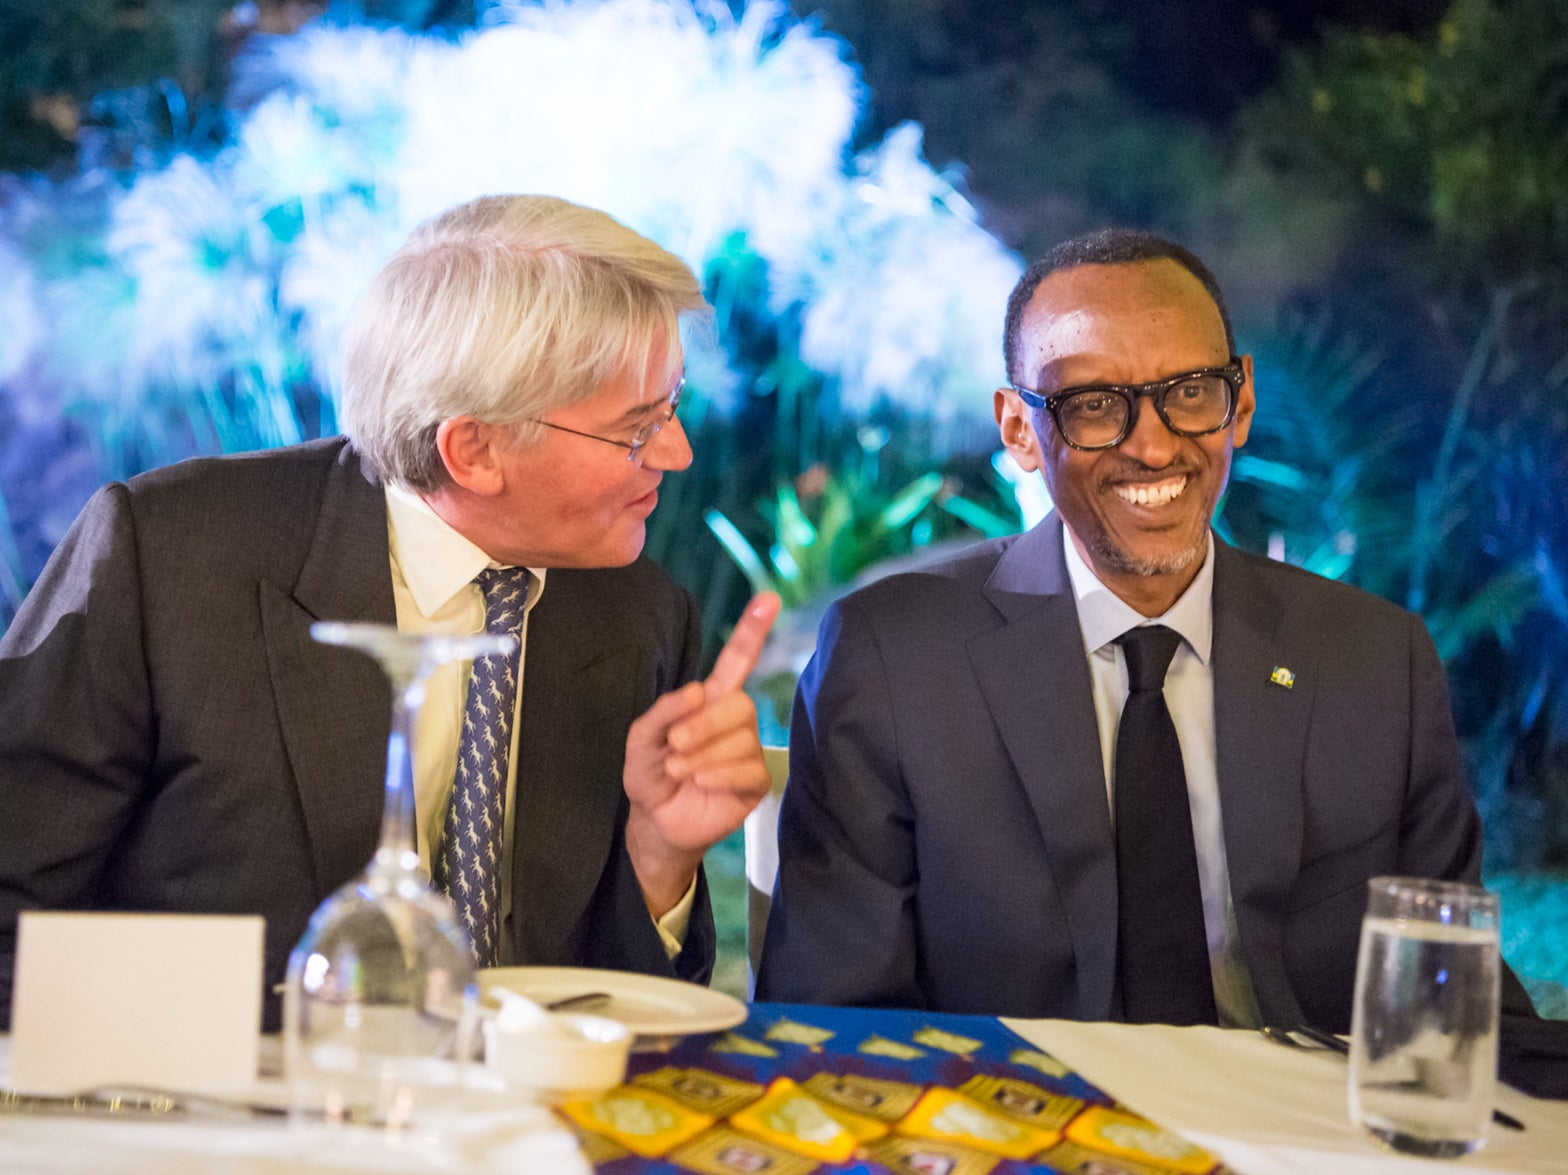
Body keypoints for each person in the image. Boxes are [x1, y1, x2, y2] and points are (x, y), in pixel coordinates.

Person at [0, 194, 780, 1029]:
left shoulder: (638, 616)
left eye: (672, 408)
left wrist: (659, 854)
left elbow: (602, 1010)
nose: (678, 452)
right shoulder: (171, 557)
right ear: (473, 450)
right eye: (637, 428)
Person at [756, 228, 1532, 1032]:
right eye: (1092, 404)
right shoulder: (894, 659)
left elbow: (1460, 1008)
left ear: (1242, 400)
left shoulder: (1374, 660)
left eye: (1191, 390)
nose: (1153, 444)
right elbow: (833, 1020)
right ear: (1020, 430)